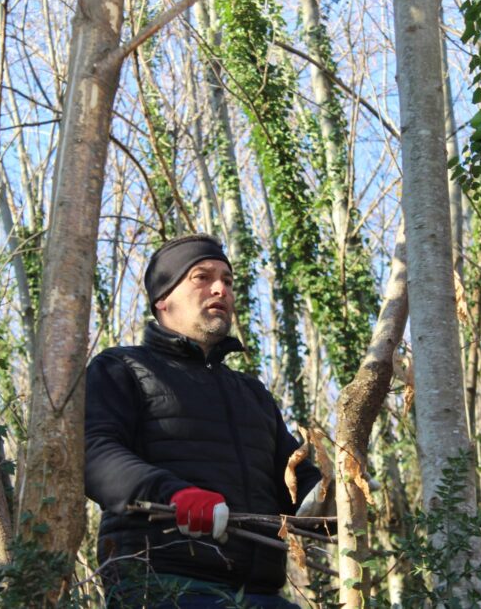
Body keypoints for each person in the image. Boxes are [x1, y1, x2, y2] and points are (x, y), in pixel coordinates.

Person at [85, 234, 323, 608]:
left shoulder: (251, 393)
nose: (220, 289)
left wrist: (334, 495)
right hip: (163, 585)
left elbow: (295, 484)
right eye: (202, 277)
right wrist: (174, 493)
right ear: (163, 299)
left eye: (227, 281)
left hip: (261, 593)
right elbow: (94, 453)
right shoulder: (122, 368)